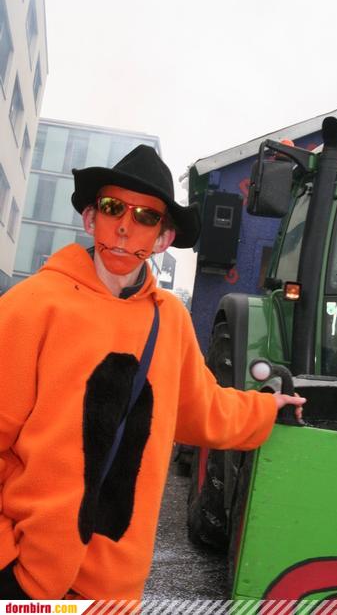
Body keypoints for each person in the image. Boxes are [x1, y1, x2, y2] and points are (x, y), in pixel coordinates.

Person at [0, 146, 305, 601]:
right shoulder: (32, 306)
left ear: (163, 239)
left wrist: (266, 407)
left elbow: (202, 407)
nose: (125, 226)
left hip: (113, 587)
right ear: (91, 218)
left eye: (145, 216)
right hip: (26, 576)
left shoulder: (169, 319)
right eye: (112, 208)